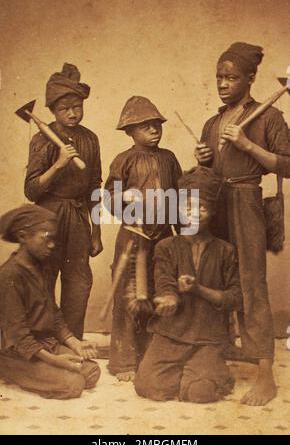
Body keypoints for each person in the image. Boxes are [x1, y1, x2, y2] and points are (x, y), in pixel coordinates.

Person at [195, 42, 290, 405]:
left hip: (246, 202)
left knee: (251, 281)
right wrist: (203, 157)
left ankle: (265, 372)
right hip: (215, 202)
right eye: (219, 76)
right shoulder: (212, 122)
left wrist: (247, 145)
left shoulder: (268, 117)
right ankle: (220, 349)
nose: (222, 83)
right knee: (214, 274)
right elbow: (208, 170)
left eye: (231, 77)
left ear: (250, 79)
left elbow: (288, 165)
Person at [135, 166, 242, 403]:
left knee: (200, 393)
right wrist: (169, 298)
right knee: (148, 386)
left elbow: (235, 297)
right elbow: (164, 282)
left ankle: (203, 371)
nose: (194, 214)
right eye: (187, 207)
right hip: (172, 333)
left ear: (213, 211)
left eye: (201, 207)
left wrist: (198, 289)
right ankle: (192, 372)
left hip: (208, 337)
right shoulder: (166, 246)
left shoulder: (225, 251)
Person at [104, 96, 182, 381]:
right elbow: (108, 200)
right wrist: (123, 197)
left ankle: (154, 355)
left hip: (162, 237)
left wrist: (181, 235)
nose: (154, 130)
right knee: (128, 296)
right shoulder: (122, 160)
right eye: (145, 126)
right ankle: (124, 361)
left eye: (156, 124)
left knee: (160, 292)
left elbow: (179, 194)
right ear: (130, 131)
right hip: (133, 236)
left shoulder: (169, 158)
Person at [24, 63, 103, 340]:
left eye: (77, 106)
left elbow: (94, 186)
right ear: (52, 111)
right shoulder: (42, 140)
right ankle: (44, 343)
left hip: (79, 216)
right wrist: (58, 164)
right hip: (48, 217)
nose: (72, 113)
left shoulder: (90, 139)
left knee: (79, 282)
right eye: (64, 109)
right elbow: (31, 190)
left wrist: (96, 231)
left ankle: (73, 343)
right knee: (44, 280)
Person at [0, 205, 100, 399]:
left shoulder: (43, 267)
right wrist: (55, 361)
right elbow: (18, 336)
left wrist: (74, 343)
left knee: (92, 371)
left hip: (45, 343)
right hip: (19, 352)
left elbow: (53, 314)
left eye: (54, 240)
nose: (52, 245)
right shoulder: (9, 275)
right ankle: (9, 370)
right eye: (46, 239)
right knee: (74, 384)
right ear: (23, 237)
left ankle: (41, 373)